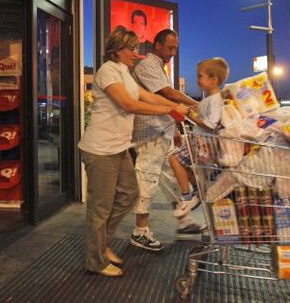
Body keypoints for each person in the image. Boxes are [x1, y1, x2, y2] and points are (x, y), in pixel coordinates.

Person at [78, 26, 188, 277]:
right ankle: (95, 259)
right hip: (100, 149)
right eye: (132, 48)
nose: (136, 53)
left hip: (118, 148)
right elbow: (129, 104)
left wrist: (176, 105)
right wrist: (171, 111)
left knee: (129, 194)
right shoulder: (107, 71)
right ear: (118, 49)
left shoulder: (124, 73)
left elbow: (147, 96)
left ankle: (102, 243)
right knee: (100, 206)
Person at [130, 29, 204, 252]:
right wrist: (199, 107)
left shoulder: (158, 67)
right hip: (148, 132)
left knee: (170, 178)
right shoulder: (146, 66)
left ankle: (183, 219)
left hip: (161, 129)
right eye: (170, 47)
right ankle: (140, 231)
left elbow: (163, 99)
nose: (173, 52)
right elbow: (168, 94)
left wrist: (174, 128)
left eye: (175, 48)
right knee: (147, 178)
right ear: (157, 45)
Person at [170, 58, 230, 217]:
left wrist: (190, 114)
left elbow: (210, 124)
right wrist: (192, 111)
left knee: (175, 159)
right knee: (185, 166)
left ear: (213, 80)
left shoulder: (215, 100)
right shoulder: (208, 99)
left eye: (199, 76)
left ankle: (187, 196)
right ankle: (197, 191)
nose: (197, 79)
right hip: (200, 142)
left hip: (205, 144)